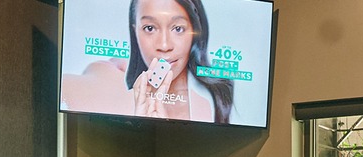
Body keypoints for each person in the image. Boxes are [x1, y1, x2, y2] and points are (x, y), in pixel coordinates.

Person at [60, 0, 234, 124]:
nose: (164, 45)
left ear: (195, 32)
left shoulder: (206, 106)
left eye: (178, 28)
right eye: (150, 28)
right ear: (135, 32)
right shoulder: (104, 85)